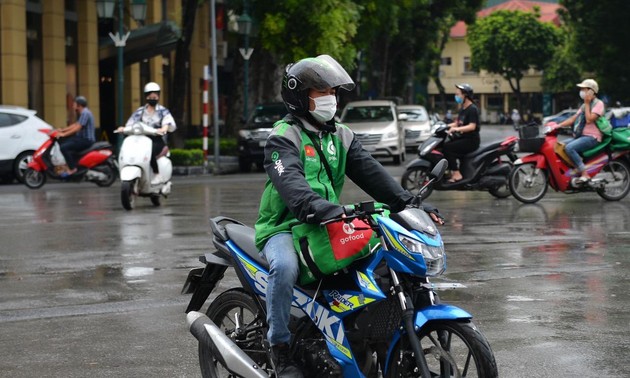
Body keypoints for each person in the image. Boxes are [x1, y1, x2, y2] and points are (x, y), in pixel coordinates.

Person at [254, 55, 444, 378]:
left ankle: (361, 338)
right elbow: (296, 193)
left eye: (333, 90)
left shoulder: (339, 135)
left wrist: (410, 204)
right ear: (299, 96)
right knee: (285, 268)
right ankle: (280, 347)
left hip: (326, 223)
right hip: (284, 227)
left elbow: (373, 175)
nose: (331, 97)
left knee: (377, 256)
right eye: (321, 91)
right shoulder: (282, 138)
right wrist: (333, 210)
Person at [118, 82, 176, 185]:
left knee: (150, 152)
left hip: (156, 140)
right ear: (146, 96)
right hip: (141, 140)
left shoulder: (163, 111)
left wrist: (164, 128)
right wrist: (123, 128)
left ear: (158, 96)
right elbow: (131, 123)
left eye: (155, 95)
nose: (153, 97)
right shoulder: (140, 111)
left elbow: (168, 122)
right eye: (150, 95)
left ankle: (156, 174)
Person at [555, 79, 605, 182]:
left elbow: (589, 119)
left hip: (592, 137)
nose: (581, 91)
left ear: (591, 91)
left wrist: (587, 103)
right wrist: (557, 125)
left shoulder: (598, 104)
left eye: (584, 89)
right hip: (581, 136)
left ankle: (584, 173)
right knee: (559, 146)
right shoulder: (584, 105)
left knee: (569, 148)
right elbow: (573, 119)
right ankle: (574, 169)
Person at [442, 83, 480, 183]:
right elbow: (458, 123)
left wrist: (456, 129)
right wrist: (444, 126)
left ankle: (456, 173)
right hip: (464, 138)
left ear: (465, 95)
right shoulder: (463, 109)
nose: (456, 97)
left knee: (447, 148)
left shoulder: (472, 109)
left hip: (471, 140)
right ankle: (450, 171)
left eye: (458, 94)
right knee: (444, 145)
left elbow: (472, 126)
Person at [57, 96, 96, 176]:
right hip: (81, 138)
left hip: (86, 140)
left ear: (79, 105)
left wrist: (64, 134)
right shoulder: (83, 113)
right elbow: (76, 125)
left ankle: (72, 168)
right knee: (66, 143)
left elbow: (78, 128)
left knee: (64, 147)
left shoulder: (85, 113)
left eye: (74, 104)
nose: (73, 106)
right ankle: (73, 164)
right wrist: (63, 130)